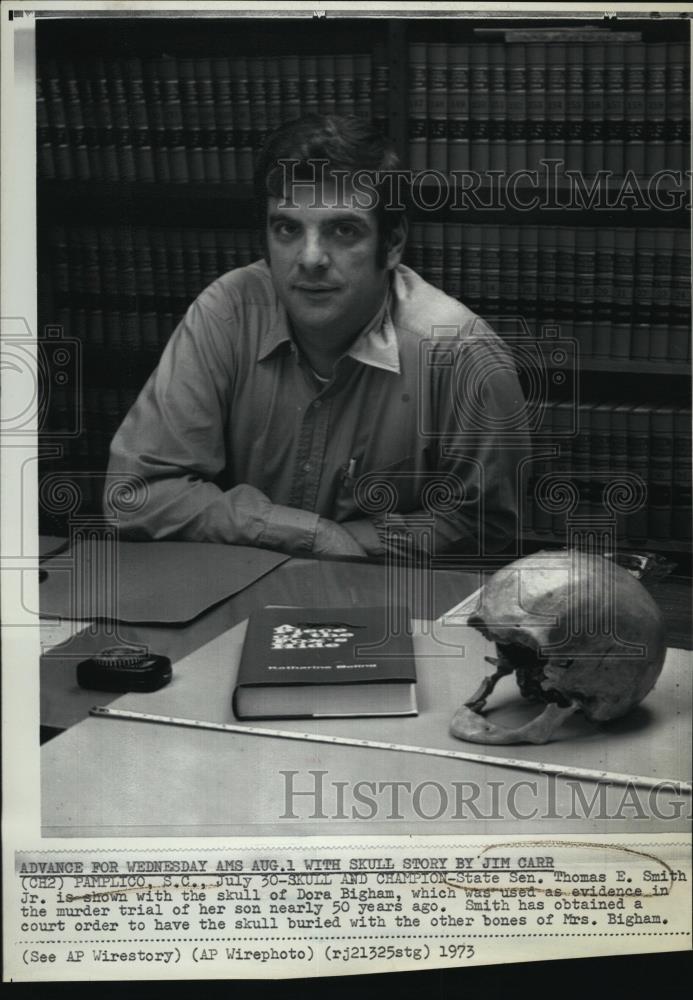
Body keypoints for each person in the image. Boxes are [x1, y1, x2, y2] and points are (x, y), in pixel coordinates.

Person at [105, 114, 530, 559]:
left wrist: (342, 546)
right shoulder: (227, 312)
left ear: (394, 242)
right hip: (237, 597)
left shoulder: (460, 352)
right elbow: (135, 495)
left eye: (343, 230)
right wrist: (312, 535)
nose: (310, 259)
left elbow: (482, 529)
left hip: (390, 606)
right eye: (288, 229)